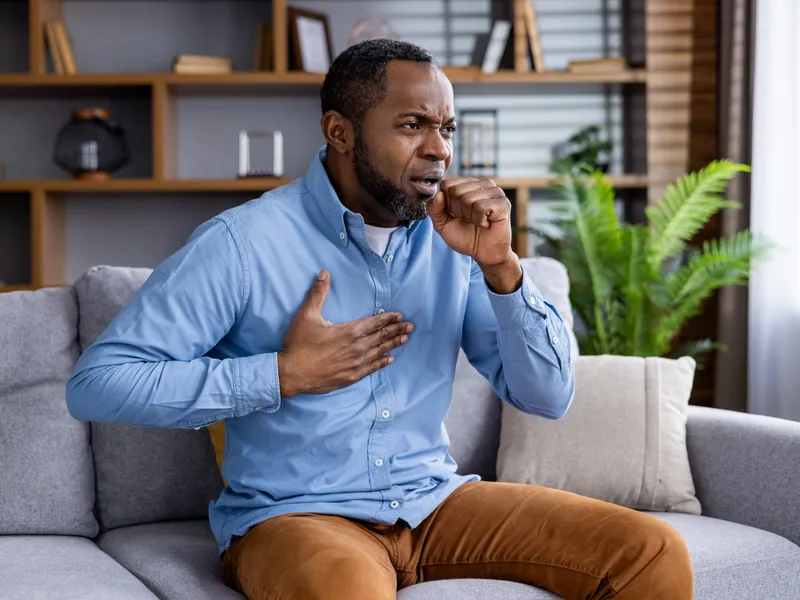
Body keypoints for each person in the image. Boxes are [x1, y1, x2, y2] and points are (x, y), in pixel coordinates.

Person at [66, 39, 692, 600]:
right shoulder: (241, 243)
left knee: (649, 553)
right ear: (340, 131)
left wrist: (503, 268)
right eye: (413, 125)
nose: (439, 150)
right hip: (297, 518)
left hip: (434, 503)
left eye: (447, 128)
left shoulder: (460, 243)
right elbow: (99, 383)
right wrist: (282, 375)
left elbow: (548, 397)